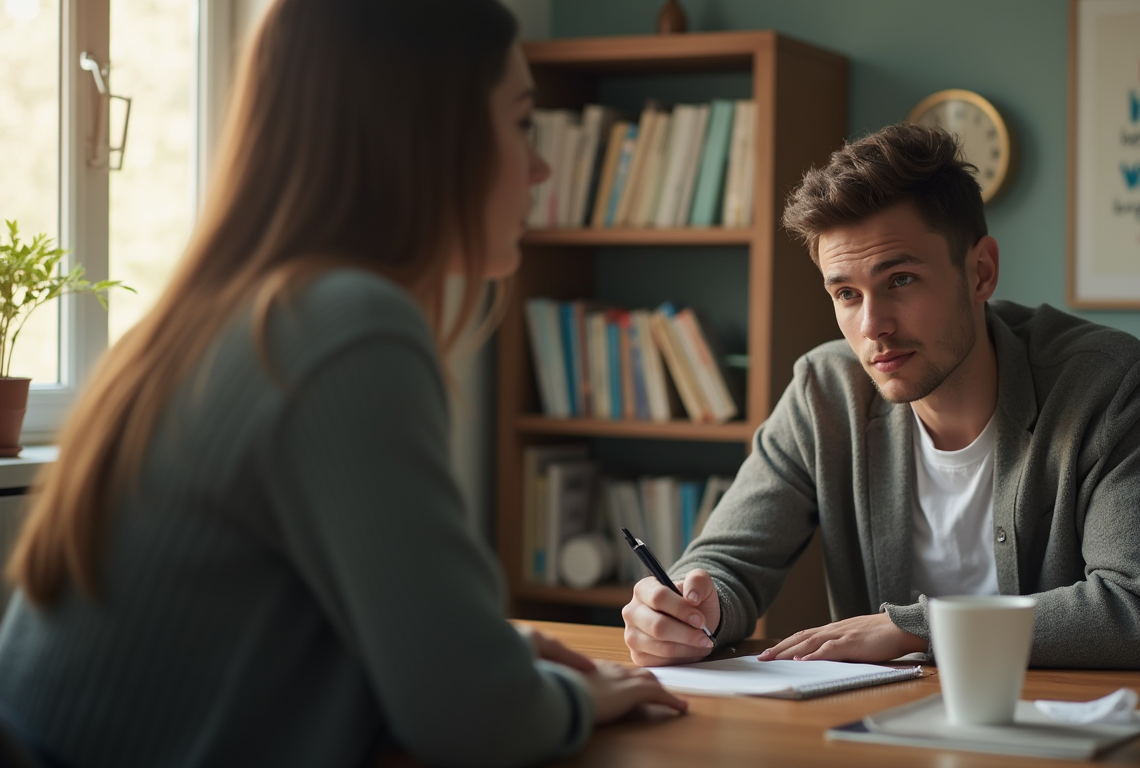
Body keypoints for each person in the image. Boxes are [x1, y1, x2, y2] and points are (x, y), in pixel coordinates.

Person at [0, 1, 685, 767]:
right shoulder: (345, 326)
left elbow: (295, 635)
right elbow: (476, 720)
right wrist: (572, 697)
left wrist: (485, 650)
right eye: (522, 122)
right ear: (426, 132)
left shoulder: (222, 310)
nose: (541, 167)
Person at [621, 122, 1140, 670]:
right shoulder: (825, 391)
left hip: (1061, 719)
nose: (873, 326)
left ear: (981, 272)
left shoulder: (1106, 382)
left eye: (900, 280)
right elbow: (727, 561)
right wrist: (692, 607)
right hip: (881, 720)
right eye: (847, 293)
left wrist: (916, 627)